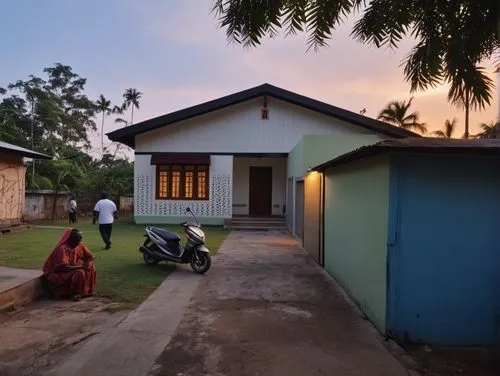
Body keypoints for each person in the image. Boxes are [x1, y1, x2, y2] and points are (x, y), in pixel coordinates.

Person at [42, 228, 97, 301]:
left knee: (91, 266)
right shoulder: (63, 248)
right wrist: (81, 266)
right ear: (70, 239)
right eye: (77, 239)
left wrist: (87, 263)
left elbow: (91, 256)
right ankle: (74, 293)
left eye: (80, 239)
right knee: (80, 272)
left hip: (72, 267)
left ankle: (86, 291)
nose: (79, 242)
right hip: (59, 272)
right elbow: (62, 267)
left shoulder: (79, 245)